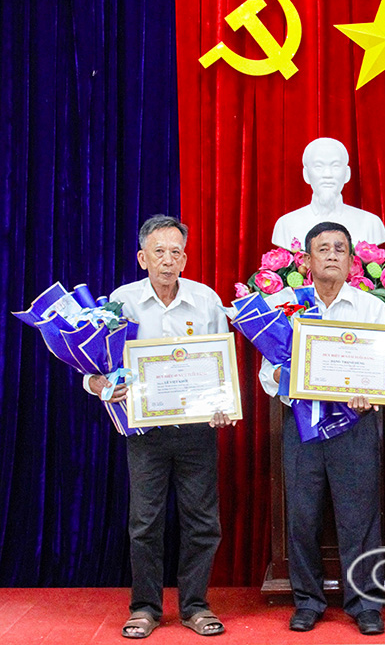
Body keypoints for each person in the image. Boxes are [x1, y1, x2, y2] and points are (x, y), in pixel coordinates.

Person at [83, 214, 236, 639]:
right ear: (142, 257)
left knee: (202, 521)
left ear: (184, 259)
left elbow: (222, 363)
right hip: (145, 432)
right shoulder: (121, 302)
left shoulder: (206, 300)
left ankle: (195, 605)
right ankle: (145, 607)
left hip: (197, 430)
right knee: (145, 523)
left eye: (175, 253)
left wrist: (223, 404)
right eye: (159, 252)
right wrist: (99, 385)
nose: (168, 260)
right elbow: (94, 365)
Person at [259, 222, 385, 636]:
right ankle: (308, 601)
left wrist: (371, 390)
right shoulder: (286, 306)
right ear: (307, 259)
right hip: (302, 425)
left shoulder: (370, 308)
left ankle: (365, 603)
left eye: (340, 249)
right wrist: (291, 376)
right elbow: (266, 374)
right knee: (302, 516)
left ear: (351, 260)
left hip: (355, 424)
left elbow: (384, 366)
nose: (332, 255)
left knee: (360, 517)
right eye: (323, 248)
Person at [271, 137, 385, 249]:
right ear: (306, 174)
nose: (327, 174)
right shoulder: (286, 225)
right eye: (318, 166)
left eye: (335, 166)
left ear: (347, 174)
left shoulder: (371, 224)